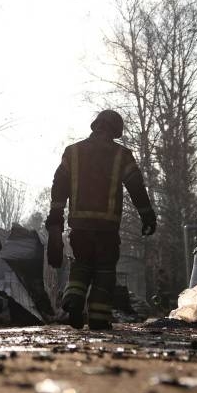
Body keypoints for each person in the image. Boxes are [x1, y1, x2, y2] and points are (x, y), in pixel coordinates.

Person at [45, 109, 156, 330]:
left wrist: (55, 219)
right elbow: (135, 186)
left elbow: (59, 187)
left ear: (95, 126)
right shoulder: (121, 155)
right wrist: (147, 215)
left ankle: (73, 299)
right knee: (105, 270)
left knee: (82, 265)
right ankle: (97, 318)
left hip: (80, 226)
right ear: (115, 131)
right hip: (107, 228)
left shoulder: (72, 152)